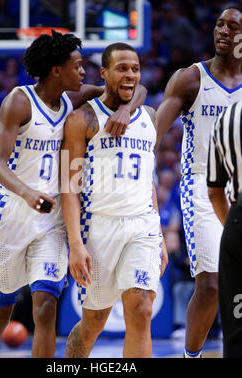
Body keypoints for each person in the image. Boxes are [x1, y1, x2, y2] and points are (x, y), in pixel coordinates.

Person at [0, 31, 146, 358]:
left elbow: (135, 89)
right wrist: (27, 193)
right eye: (78, 66)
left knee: (45, 308)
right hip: (10, 213)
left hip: (51, 220)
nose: (83, 72)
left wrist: (126, 111)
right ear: (56, 70)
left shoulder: (73, 99)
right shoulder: (19, 101)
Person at [61, 42, 167, 358]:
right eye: (122, 68)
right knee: (94, 321)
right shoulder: (82, 120)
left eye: (135, 68)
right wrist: (76, 245)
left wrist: (159, 233)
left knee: (141, 311)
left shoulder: (149, 116)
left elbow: (148, 179)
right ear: (104, 73)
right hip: (99, 227)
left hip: (142, 226)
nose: (130, 75)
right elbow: (70, 187)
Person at [156, 5, 242, 358]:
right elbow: (152, 133)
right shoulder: (191, 78)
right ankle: (190, 356)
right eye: (219, 24)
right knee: (209, 282)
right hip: (201, 186)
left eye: (232, 26)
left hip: (240, 189)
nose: (222, 30)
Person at [207, 99, 242, 358]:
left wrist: (233, 226)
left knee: (236, 331)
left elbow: (214, 191)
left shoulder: (225, 117)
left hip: (237, 222)